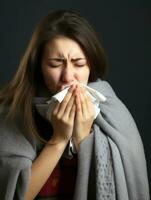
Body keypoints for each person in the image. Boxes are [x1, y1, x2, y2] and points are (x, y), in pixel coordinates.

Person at [0, 10, 149, 200]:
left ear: (91, 66)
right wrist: (59, 139)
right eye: (55, 64)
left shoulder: (114, 112)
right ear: (38, 66)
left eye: (78, 64)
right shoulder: (11, 113)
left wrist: (83, 138)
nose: (68, 77)